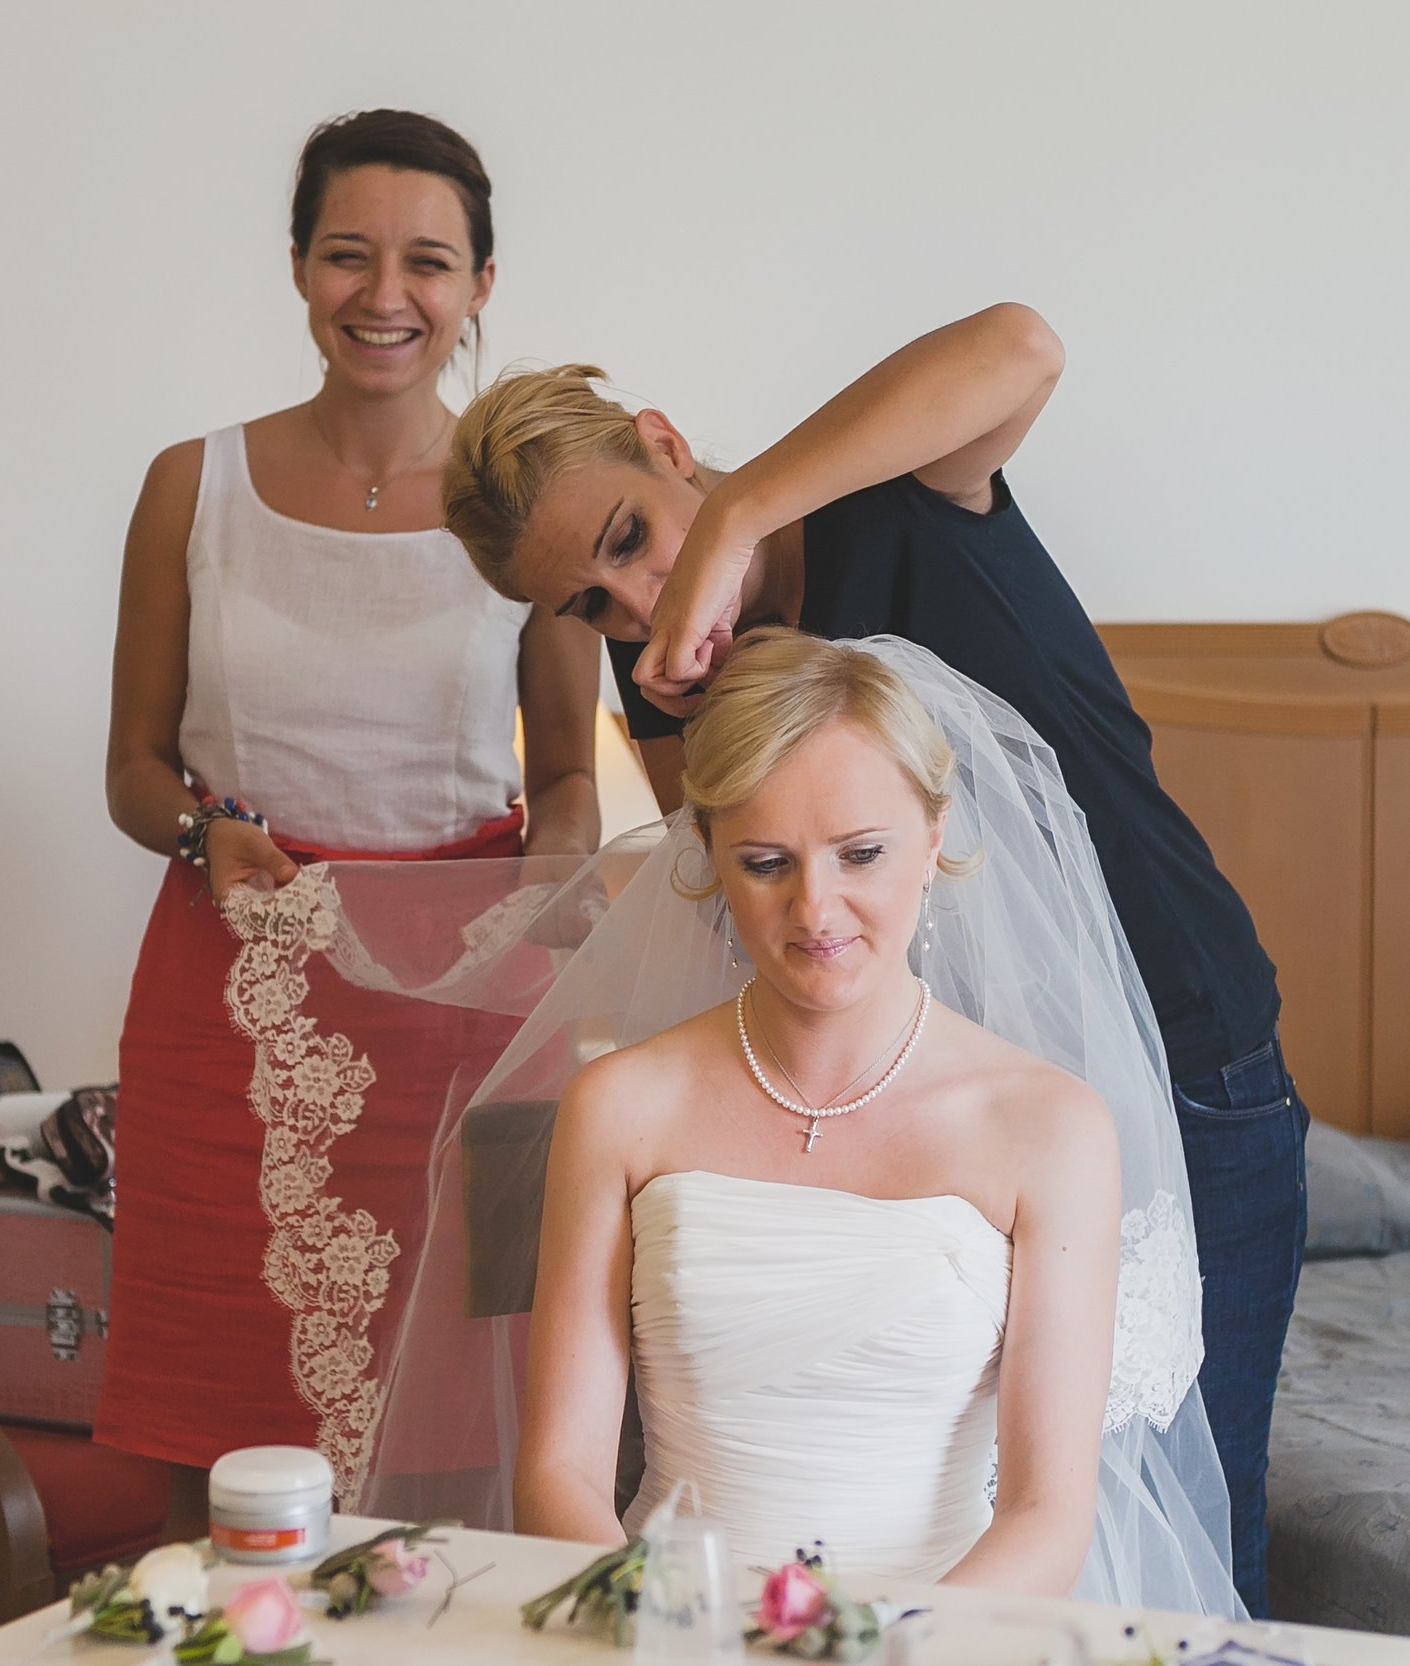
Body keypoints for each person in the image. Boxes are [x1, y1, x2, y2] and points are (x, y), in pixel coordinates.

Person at [440, 305, 1300, 1612]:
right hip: (918, 1121)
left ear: (667, 446)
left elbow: (1023, 344)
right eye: (588, 603)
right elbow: (752, 901)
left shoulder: (900, 497)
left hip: (1181, 1057)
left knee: (1175, 1550)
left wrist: (733, 522)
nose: (634, 607)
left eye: (631, 539)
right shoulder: (657, 664)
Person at [338, 629, 1236, 1611]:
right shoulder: (623, 1105)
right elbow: (559, 1469)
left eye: (860, 854)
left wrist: (872, 1647)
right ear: (710, 855)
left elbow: (1046, 1514)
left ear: (934, 837)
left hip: (944, 1637)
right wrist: (677, 1628)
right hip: (664, 1626)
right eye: (766, 861)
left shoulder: (1051, 1127)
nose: (817, 909)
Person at [94, 110, 601, 1521]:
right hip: (232, 996)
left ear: (482, 285)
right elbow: (135, 767)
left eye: (429, 262)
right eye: (347, 255)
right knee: (214, 1406)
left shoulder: (529, 512)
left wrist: (546, 876)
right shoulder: (191, 486)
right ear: (298, 268)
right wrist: (203, 834)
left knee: (466, 1403)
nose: (386, 296)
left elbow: (567, 776)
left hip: (467, 1005)